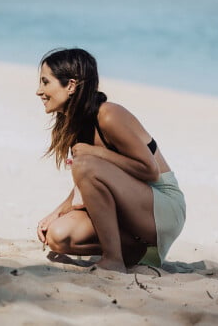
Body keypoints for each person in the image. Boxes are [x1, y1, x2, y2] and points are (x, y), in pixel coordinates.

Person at [35, 48, 185, 272]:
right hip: (132, 211)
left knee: (85, 164)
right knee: (58, 236)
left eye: (45, 82)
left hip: (162, 206)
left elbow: (150, 170)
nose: (39, 91)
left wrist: (94, 153)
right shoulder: (75, 124)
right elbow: (88, 182)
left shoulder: (108, 115)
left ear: (71, 85)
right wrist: (57, 212)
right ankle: (136, 251)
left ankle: (113, 259)